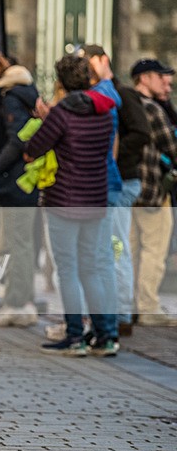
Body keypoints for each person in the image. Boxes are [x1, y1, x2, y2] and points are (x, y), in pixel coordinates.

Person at [25, 55, 117, 356]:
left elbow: (33, 149)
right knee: (91, 268)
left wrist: (43, 119)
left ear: (61, 82)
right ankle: (105, 336)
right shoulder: (104, 110)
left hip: (64, 199)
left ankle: (75, 336)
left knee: (68, 270)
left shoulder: (62, 113)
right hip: (96, 198)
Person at [79, 45, 151, 337]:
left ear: (101, 60)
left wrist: (114, 160)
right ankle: (113, 314)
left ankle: (120, 313)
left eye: (87, 62)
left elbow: (141, 132)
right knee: (110, 249)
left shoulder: (120, 94)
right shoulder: (104, 93)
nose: (85, 68)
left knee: (116, 248)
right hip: (114, 181)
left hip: (120, 182)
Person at [0, 51, 40, 327]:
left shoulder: (11, 98)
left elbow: (19, 139)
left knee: (17, 244)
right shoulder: (19, 95)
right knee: (15, 243)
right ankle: (17, 301)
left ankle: (18, 304)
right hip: (18, 182)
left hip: (15, 183)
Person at [130, 59, 177, 326]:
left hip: (127, 190)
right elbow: (172, 146)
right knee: (154, 251)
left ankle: (132, 304)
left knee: (132, 250)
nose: (166, 84)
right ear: (145, 78)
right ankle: (148, 306)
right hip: (152, 191)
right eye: (161, 78)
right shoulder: (151, 109)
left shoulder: (123, 105)